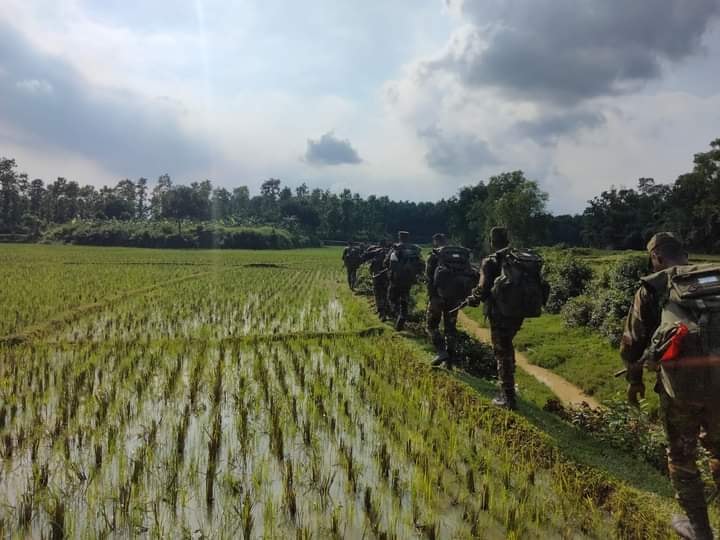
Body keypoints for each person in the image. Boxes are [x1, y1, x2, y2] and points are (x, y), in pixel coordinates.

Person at [621, 232, 720, 540]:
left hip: (681, 391)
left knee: (681, 456)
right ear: (685, 254)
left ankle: (699, 530)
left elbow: (631, 343)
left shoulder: (654, 285)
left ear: (657, 257)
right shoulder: (715, 277)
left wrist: (634, 381)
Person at [466, 227, 523, 410]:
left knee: (501, 351)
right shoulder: (518, 259)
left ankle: (508, 397)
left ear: (492, 241)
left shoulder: (490, 262)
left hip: (499, 313)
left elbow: (482, 289)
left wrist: (472, 298)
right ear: (507, 240)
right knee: (507, 346)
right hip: (518, 312)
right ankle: (510, 387)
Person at [427, 233, 475, 368]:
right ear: (446, 241)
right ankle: (450, 361)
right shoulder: (461, 258)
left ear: (436, 242)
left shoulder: (435, 255)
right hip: (455, 299)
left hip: (438, 297)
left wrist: (432, 295)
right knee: (450, 329)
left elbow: (429, 277)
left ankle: (441, 352)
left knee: (432, 325)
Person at [385, 231, 424, 331]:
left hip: (396, 279)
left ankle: (399, 314)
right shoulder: (415, 249)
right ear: (408, 237)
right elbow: (421, 263)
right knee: (404, 298)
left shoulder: (396, 248)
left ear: (399, 237)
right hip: (409, 279)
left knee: (391, 298)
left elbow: (386, 262)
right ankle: (403, 314)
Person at [361, 239, 391, 320]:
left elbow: (364, 257)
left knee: (378, 294)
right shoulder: (391, 252)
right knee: (385, 293)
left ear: (379, 244)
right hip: (388, 277)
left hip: (377, 276)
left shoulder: (376, 251)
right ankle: (387, 310)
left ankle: (382, 313)